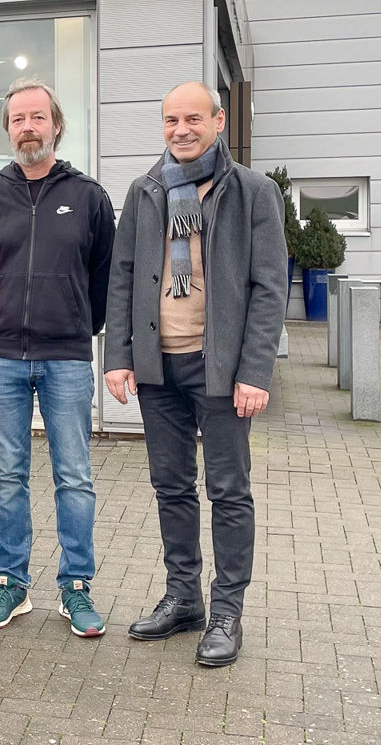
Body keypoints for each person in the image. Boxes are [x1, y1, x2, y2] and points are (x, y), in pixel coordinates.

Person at [104, 80, 285, 667]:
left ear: (218, 120)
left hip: (223, 370)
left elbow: (268, 287)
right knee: (171, 487)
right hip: (159, 368)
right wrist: (120, 356)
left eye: (192, 119)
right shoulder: (145, 190)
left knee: (229, 491)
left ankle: (227, 610)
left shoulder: (252, 192)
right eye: (170, 120)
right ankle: (184, 598)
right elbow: (123, 277)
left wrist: (255, 370)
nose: (181, 129)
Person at [0, 77, 115, 637]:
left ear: (56, 125)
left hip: (67, 357)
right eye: (18, 119)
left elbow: (104, 276)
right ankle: (12, 583)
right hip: (0, 355)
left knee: (73, 477)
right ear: (8, 129)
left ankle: (76, 588)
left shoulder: (89, 196)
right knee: (8, 476)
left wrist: (82, 327)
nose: (28, 127)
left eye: (37, 117)